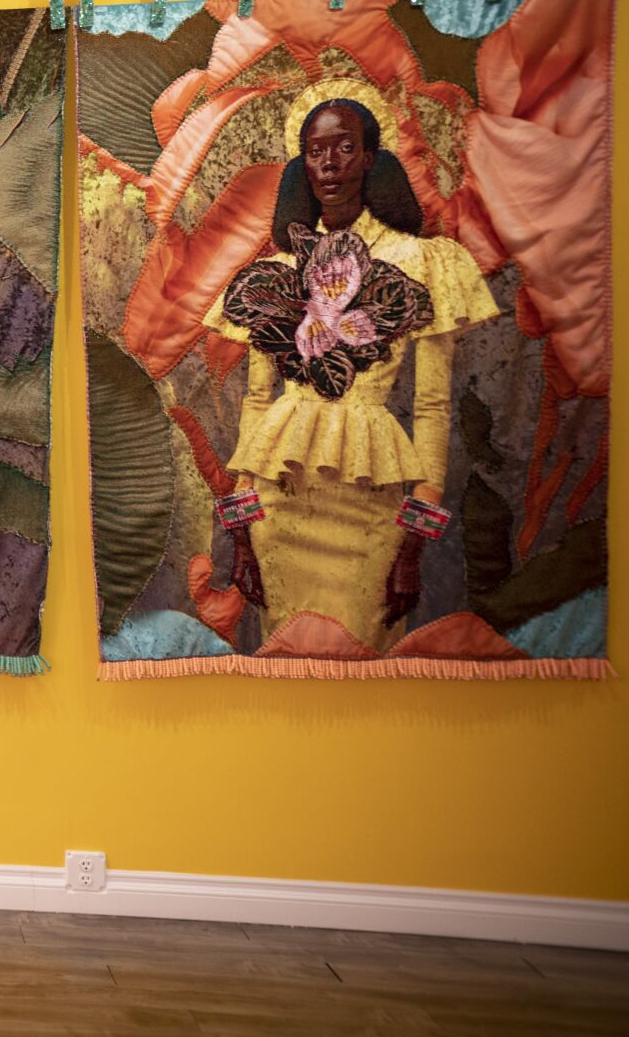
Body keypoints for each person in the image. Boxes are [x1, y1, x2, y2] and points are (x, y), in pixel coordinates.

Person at [210, 87, 499, 650]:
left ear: (371, 157)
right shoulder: (274, 272)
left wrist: (413, 544)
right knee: (286, 660)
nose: (330, 163)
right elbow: (256, 402)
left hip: (371, 504)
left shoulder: (420, 261)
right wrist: (243, 536)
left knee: (364, 659)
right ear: (303, 162)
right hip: (279, 501)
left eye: (345, 147)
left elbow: (433, 407)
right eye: (316, 151)